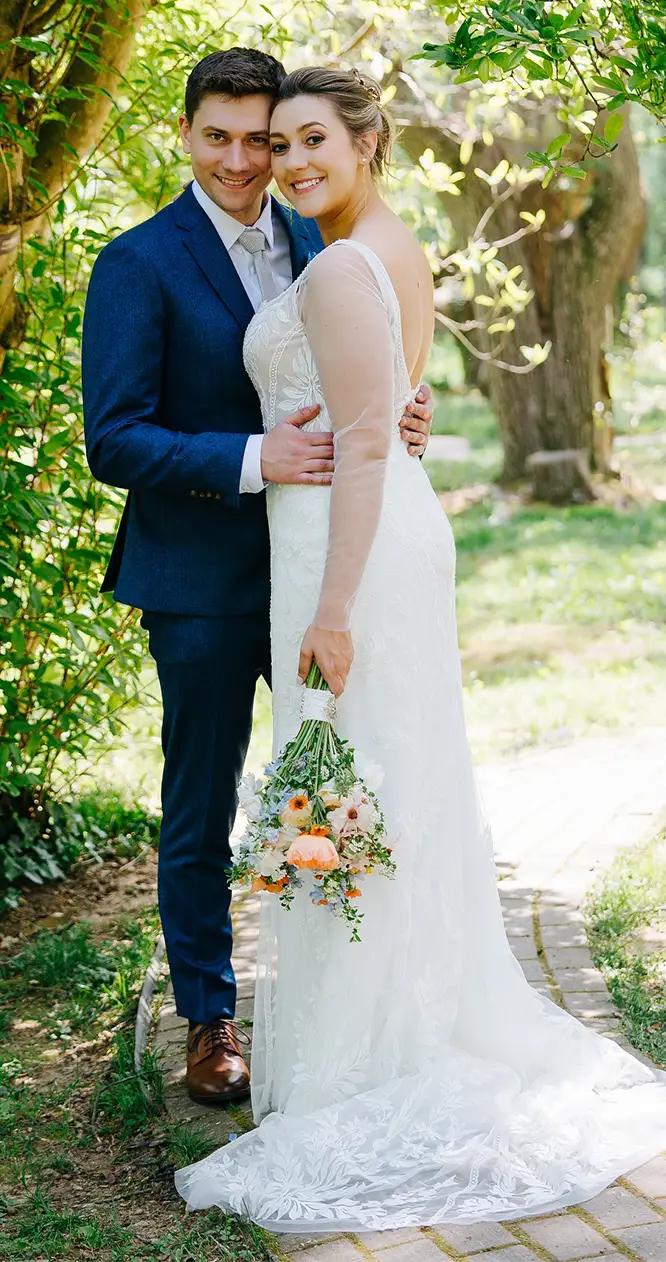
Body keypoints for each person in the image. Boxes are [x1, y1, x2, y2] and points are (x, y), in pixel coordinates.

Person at [175, 65, 666, 1233]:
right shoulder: (376, 244)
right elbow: (377, 404)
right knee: (389, 795)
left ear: (367, 139)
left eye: (310, 141)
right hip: (365, 537)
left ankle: (371, 1062)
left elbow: (365, 437)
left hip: (348, 557)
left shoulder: (342, 262)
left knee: (359, 795)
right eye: (275, 145)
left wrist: (333, 611)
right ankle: (399, 1028)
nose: (289, 163)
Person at [81, 49, 432, 1108]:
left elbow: (364, 373)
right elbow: (115, 437)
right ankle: (212, 1017)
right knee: (200, 806)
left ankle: (352, 999)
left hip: (321, 567)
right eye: (221, 137)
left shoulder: (317, 234)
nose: (244, 162)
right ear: (184, 133)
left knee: (348, 782)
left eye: (262, 139)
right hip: (198, 580)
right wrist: (251, 459)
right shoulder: (137, 262)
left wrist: (406, 407)